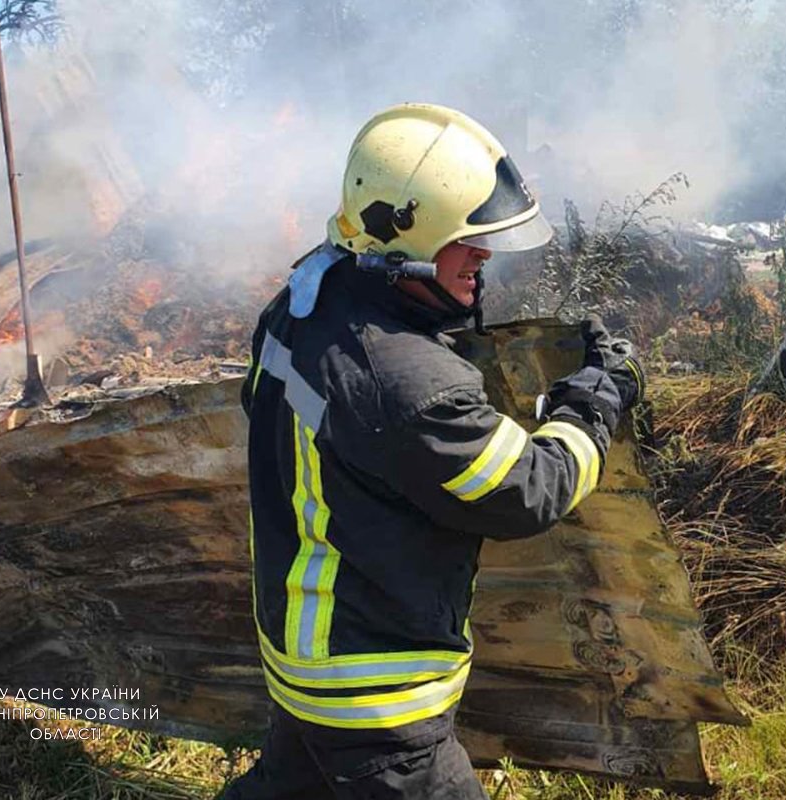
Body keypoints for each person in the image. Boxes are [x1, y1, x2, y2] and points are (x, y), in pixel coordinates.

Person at [223, 103, 643, 800]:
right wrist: (596, 401)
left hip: (303, 660)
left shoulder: (300, 304)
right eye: (467, 240)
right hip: (378, 698)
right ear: (405, 239)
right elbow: (528, 489)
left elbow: (285, 408)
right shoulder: (410, 384)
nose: (484, 257)